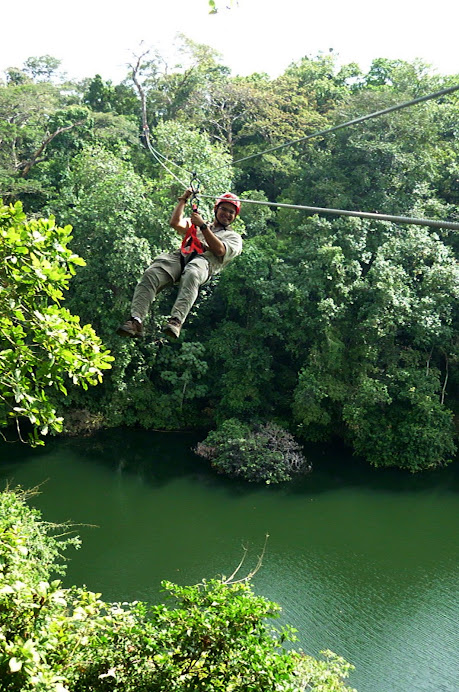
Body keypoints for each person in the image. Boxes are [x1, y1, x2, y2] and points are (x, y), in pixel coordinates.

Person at [117, 189, 243, 340]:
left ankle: (176, 320)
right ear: (216, 209)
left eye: (231, 212)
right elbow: (175, 223)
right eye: (224, 209)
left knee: (192, 272)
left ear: (235, 216)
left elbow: (220, 250)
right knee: (152, 273)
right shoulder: (199, 224)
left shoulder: (233, 237)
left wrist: (202, 226)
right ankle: (136, 321)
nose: (227, 214)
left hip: (204, 263)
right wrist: (183, 200)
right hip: (181, 257)